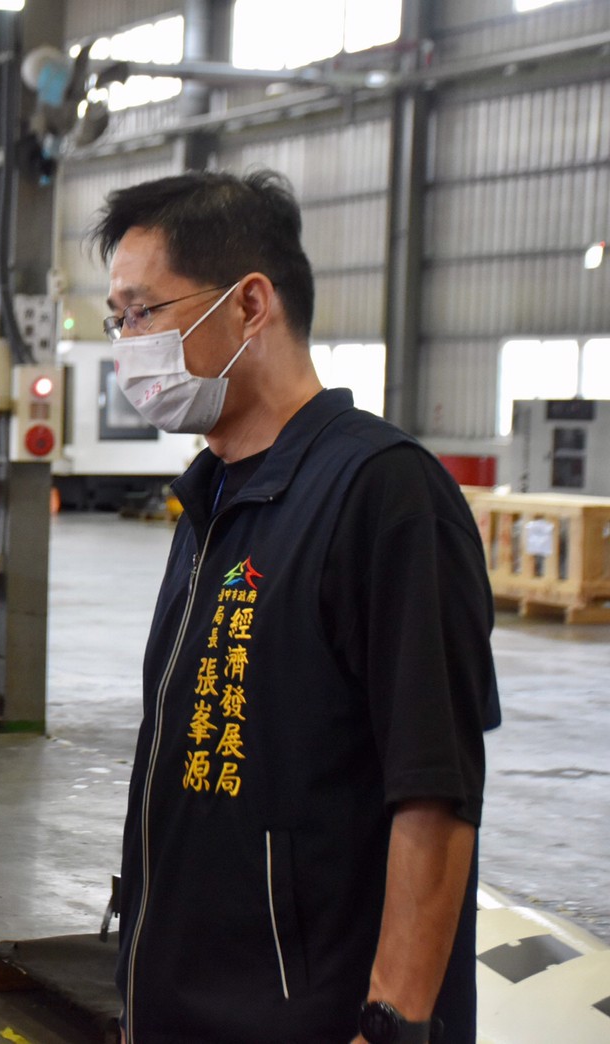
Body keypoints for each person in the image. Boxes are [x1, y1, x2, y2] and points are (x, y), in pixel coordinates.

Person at [93, 170, 499, 1044]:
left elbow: (434, 791)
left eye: (144, 312)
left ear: (249, 305)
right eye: (116, 320)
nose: (128, 345)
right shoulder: (210, 500)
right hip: (183, 1010)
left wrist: (391, 1026)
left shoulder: (384, 494)